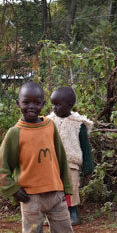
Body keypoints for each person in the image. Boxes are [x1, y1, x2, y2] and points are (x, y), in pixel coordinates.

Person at [0, 82, 96, 233]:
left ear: (42, 104)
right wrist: (13, 189)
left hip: (55, 193)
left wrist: (66, 187)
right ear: (18, 103)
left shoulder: (49, 126)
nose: (31, 106)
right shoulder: (15, 133)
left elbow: (59, 156)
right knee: (32, 232)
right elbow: (1, 165)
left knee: (65, 228)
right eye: (26, 102)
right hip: (31, 197)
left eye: (36, 102)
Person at [47, 86, 94, 225]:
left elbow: (85, 147)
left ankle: (73, 212)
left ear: (69, 105)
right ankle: (53, 214)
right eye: (53, 104)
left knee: (71, 188)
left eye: (58, 104)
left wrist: (88, 166)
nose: (54, 108)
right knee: (52, 188)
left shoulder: (79, 124)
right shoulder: (48, 122)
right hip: (52, 163)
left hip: (71, 163)